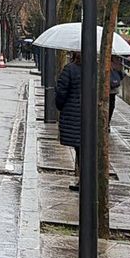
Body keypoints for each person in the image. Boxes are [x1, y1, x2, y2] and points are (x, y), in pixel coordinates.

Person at [54, 52, 83, 191]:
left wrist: (61, 106)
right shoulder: (96, 68)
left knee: (80, 149)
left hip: (74, 115)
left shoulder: (70, 69)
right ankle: (85, 180)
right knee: (85, 149)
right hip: (91, 115)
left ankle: (84, 181)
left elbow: (61, 93)